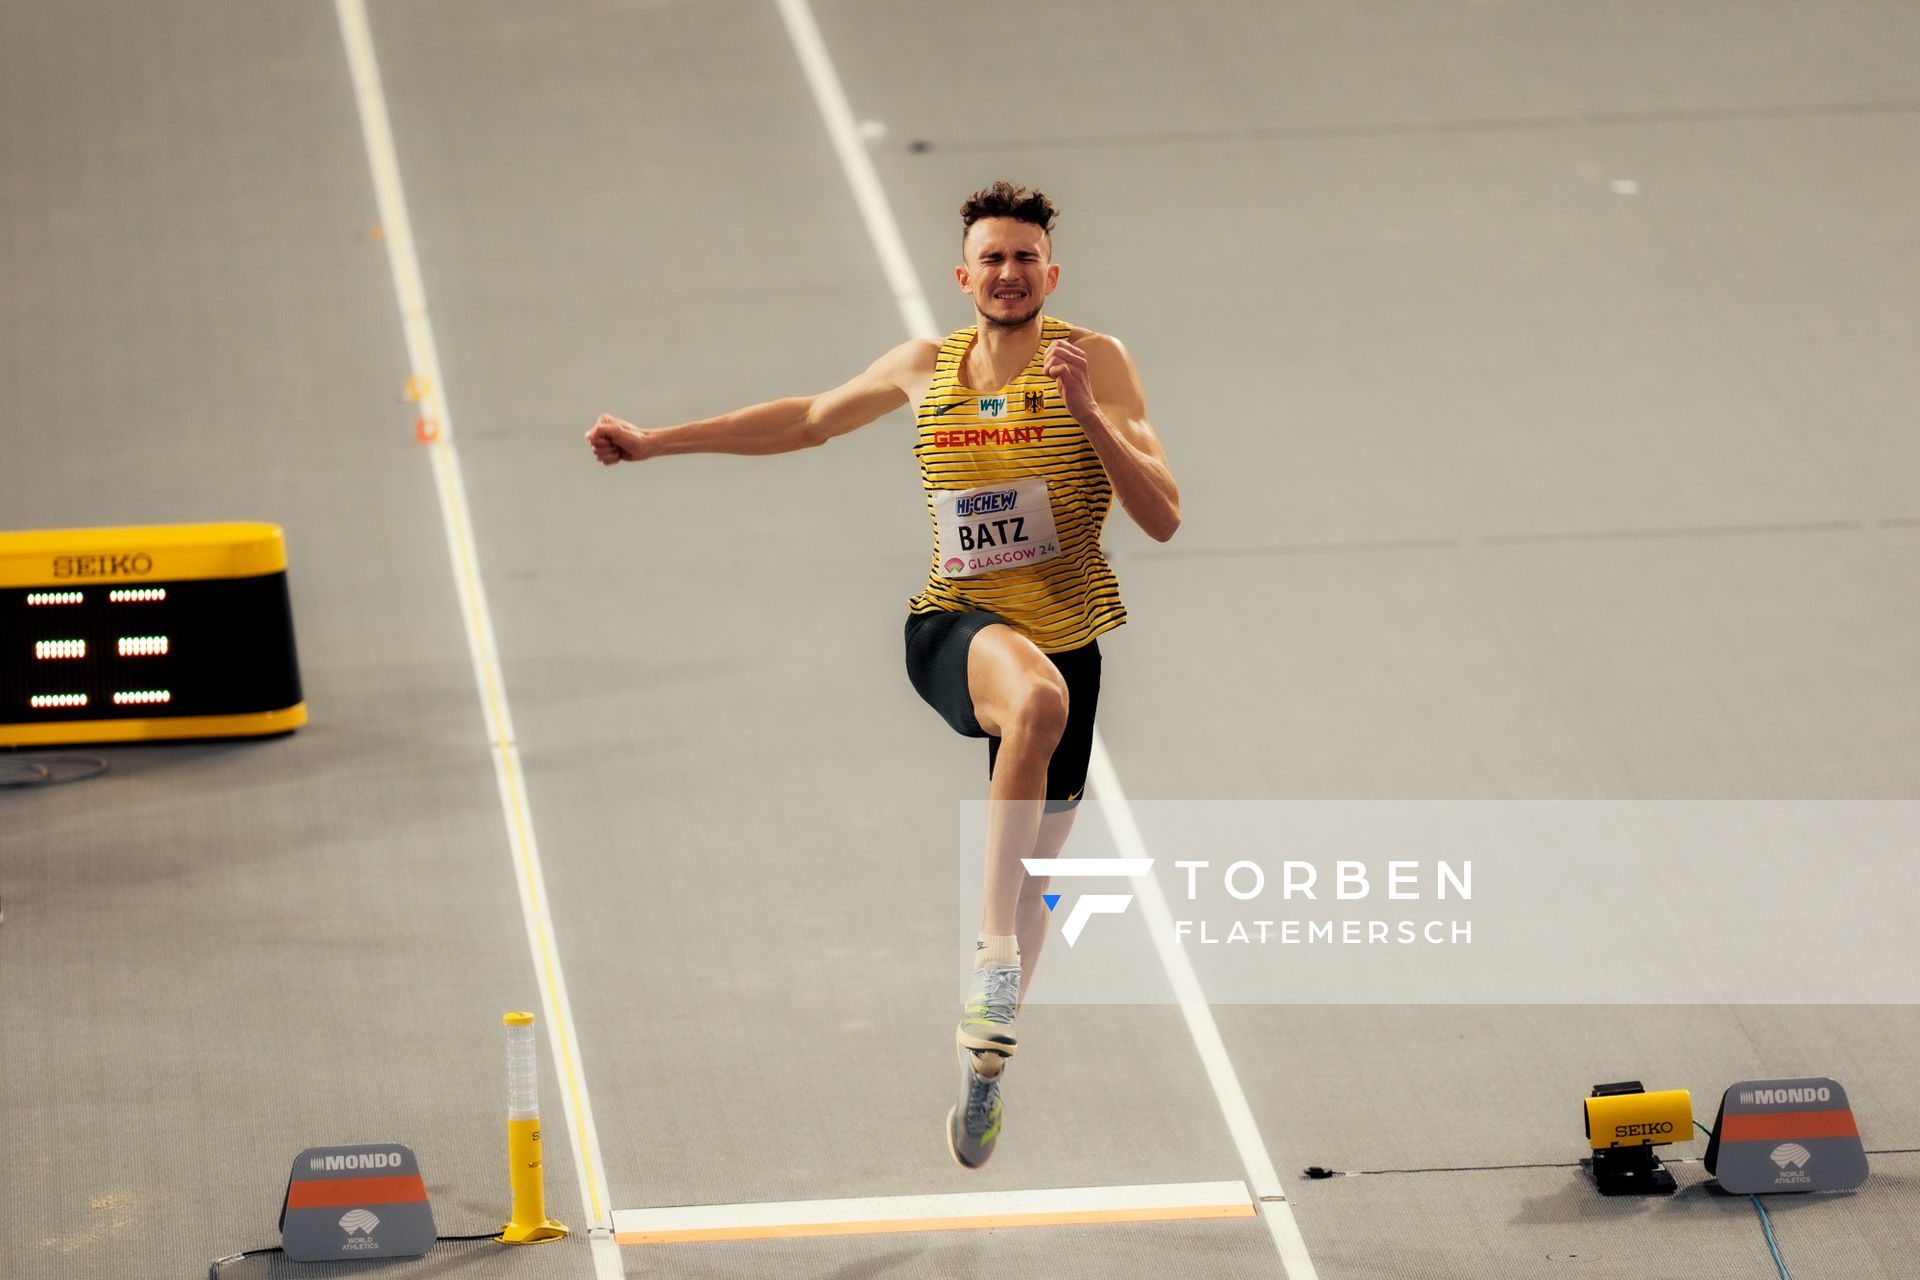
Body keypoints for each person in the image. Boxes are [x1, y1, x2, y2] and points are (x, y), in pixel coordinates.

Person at [586, 181, 1179, 1168]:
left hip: (1069, 633)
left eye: (1026, 256)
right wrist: (656, 441)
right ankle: (990, 957)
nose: (1008, 272)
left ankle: (983, 1070)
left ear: (1051, 273)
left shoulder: (1096, 360)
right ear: (964, 276)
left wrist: (1085, 409)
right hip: (956, 625)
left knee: (1040, 853)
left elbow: (1160, 513)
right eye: (991, 257)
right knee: (1033, 699)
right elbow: (807, 418)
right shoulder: (924, 366)